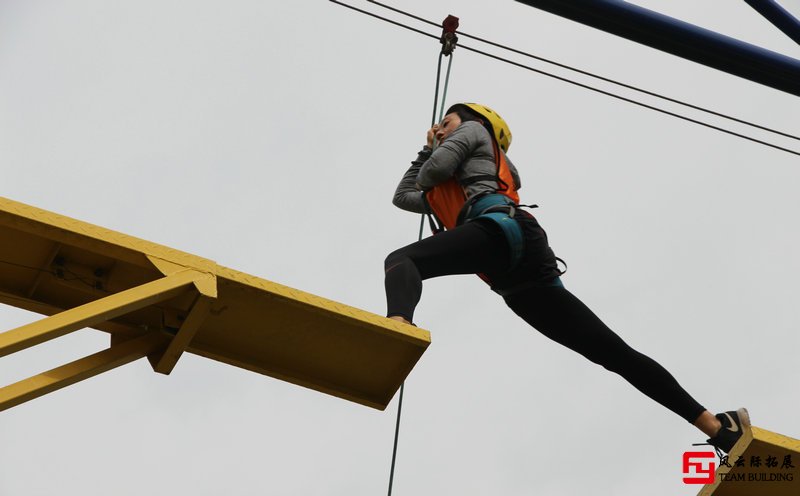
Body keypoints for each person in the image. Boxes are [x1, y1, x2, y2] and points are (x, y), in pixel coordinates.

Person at [384, 102, 748, 453]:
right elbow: (404, 197)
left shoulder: (473, 128)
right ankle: (719, 428)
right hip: (517, 279)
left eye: (445, 123)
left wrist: (434, 147)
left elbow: (430, 175)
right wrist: (425, 149)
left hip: (502, 232)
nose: (439, 129)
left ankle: (398, 328)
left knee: (402, 260)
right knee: (610, 351)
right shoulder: (451, 178)